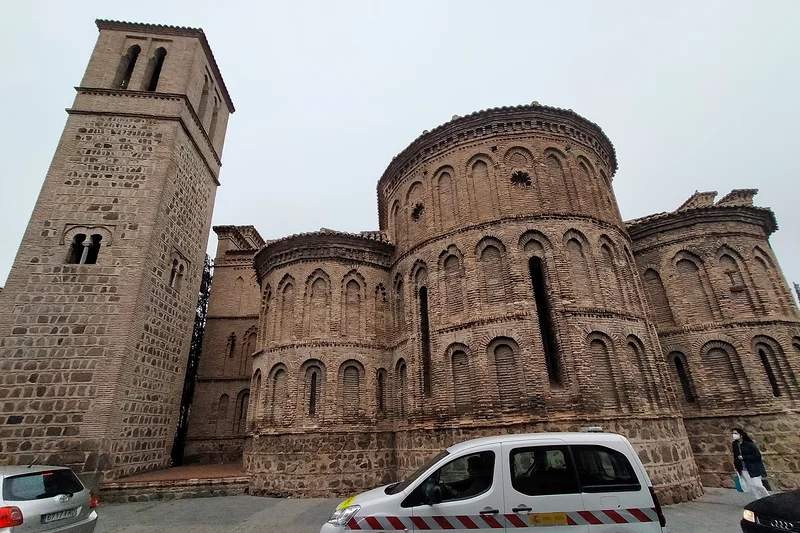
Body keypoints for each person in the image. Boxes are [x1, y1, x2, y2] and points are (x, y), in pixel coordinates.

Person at [732, 427, 770, 499]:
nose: (734, 435)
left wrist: (744, 457)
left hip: (753, 467)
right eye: (733, 434)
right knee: (751, 486)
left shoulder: (749, 444)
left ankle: (767, 498)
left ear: (741, 435)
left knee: (757, 485)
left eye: (736, 433)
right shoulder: (735, 445)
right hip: (743, 468)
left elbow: (757, 456)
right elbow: (735, 456)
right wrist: (736, 466)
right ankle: (758, 500)